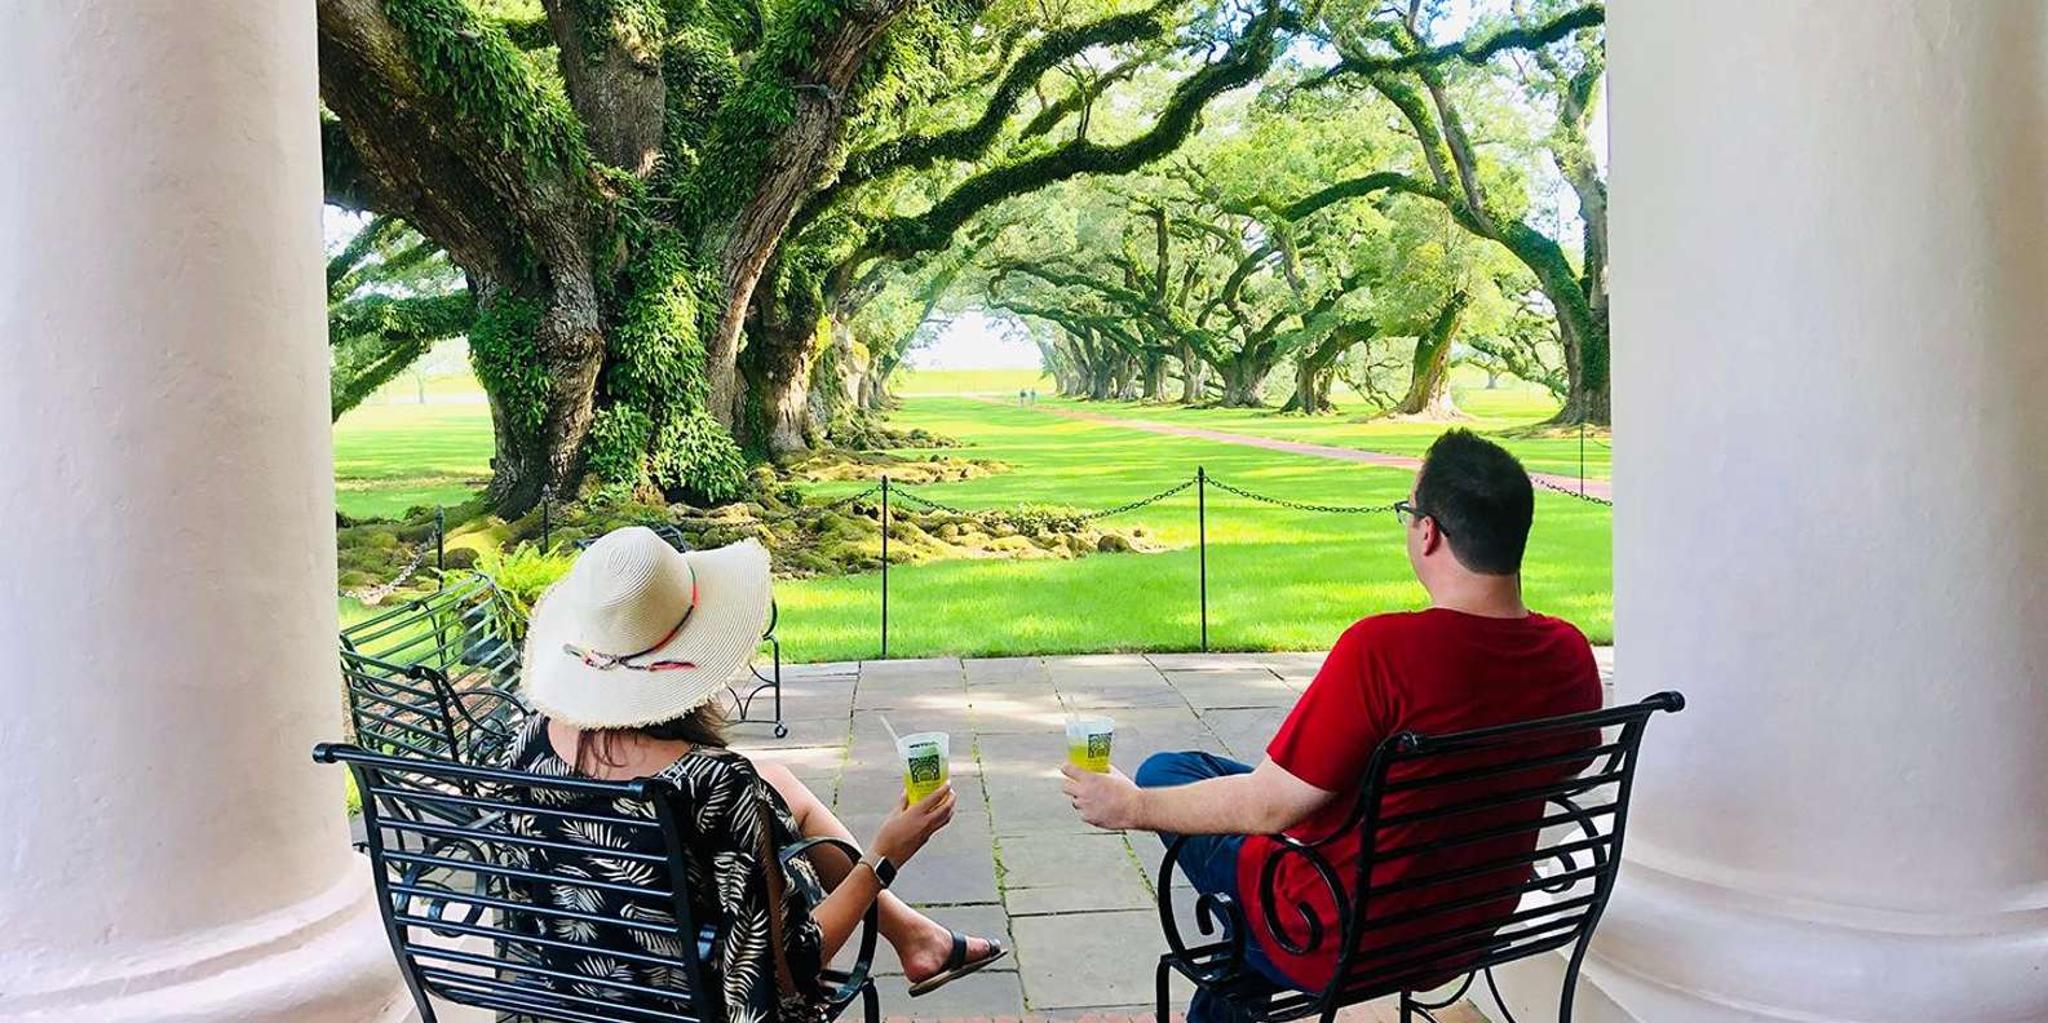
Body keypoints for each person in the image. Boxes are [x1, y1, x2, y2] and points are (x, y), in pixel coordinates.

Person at [1061, 430, 1601, 1022]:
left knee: (1162, 783)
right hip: (1465, 917)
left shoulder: (1385, 651)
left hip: (1341, 931)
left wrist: (1129, 807)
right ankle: (1244, 943)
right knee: (1183, 774)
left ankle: (1245, 934)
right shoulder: (1570, 653)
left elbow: (1268, 810)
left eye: (1408, 512)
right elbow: (1559, 767)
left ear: (1429, 533)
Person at [506, 527, 1005, 1022]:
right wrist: (883, 858)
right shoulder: (716, 784)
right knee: (772, 799)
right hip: (694, 1007)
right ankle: (916, 935)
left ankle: (916, 936)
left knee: (780, 781)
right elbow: (785, 972)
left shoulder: (529, 742)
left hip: (570, 998)